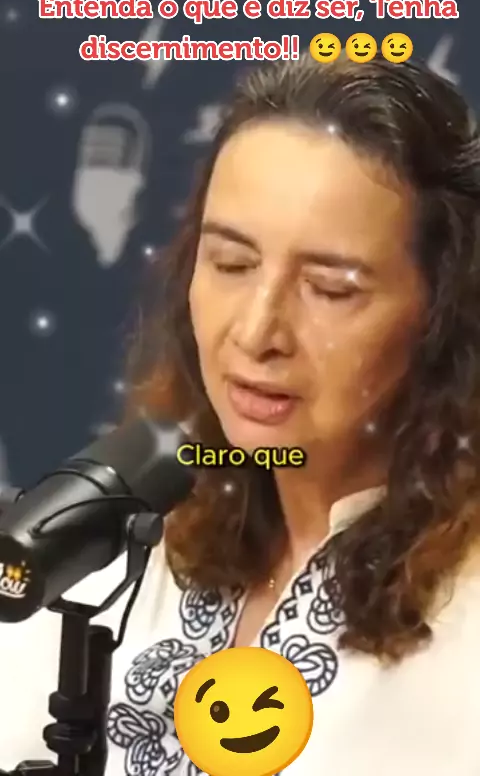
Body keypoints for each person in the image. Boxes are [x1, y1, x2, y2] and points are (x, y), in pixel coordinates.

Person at [1, 51, 480, 775]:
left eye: (330, 288)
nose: (256, 333)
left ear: (442, 316)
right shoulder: (114, 554)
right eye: (230, 264)